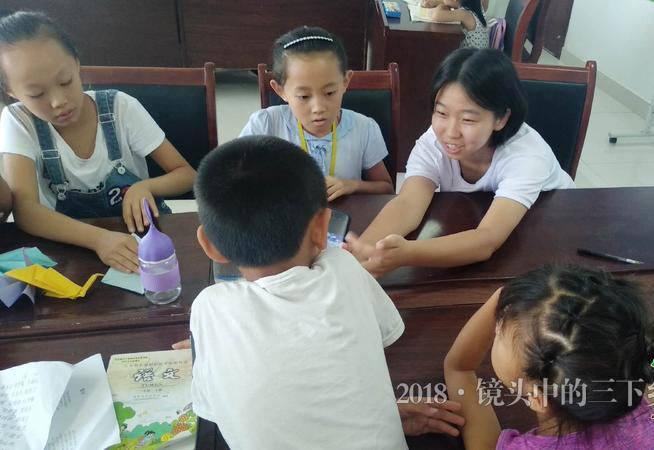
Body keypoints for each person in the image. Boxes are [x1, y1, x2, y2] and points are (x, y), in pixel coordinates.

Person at [188, 135, 462, 448]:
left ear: (209, 245)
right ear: (322, 228)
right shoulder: (343, 267)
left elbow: (221, 410)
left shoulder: (208, 308)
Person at [345, 48, 574, 276]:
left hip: (550, 231)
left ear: (502, 118)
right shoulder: (433, 142)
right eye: (442, 113)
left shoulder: (527, 156)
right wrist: (363, 250)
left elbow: (487, 239)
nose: (450, 133)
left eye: (468, 119)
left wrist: (406, 254)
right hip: (479, 224)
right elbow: (408, 203)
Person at [0, 11, 195, 273]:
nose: (59, 101)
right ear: (11, 92)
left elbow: (187, 175)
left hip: (143, 242)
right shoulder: (18, 121)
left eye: (65, 81)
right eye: (37, 94)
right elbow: (27, 212)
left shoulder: (121, 108)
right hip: (71, 249)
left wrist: (145, 186)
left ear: (77, 63)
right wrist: (99, 239)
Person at [444, 264, 654, 449]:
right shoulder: (650, 410)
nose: (497, 325)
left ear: (537, 397)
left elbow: (459, 369)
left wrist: (499, 297)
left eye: (499, 329)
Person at [240, 26, 393, 201]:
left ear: (345, 82)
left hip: (346, 217)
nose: (318, 108)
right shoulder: (265, 124)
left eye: (329, 93)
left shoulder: (364, 128)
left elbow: (386, 188)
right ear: (280, 91)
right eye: (304, 96)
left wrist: (351, 185)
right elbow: (232, 178)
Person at [422, 0, 490, 49]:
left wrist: (442, 3)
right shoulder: (477, 8)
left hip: (471, 60)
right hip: (479, 57)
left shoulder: (465, 14)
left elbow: (436, 15)